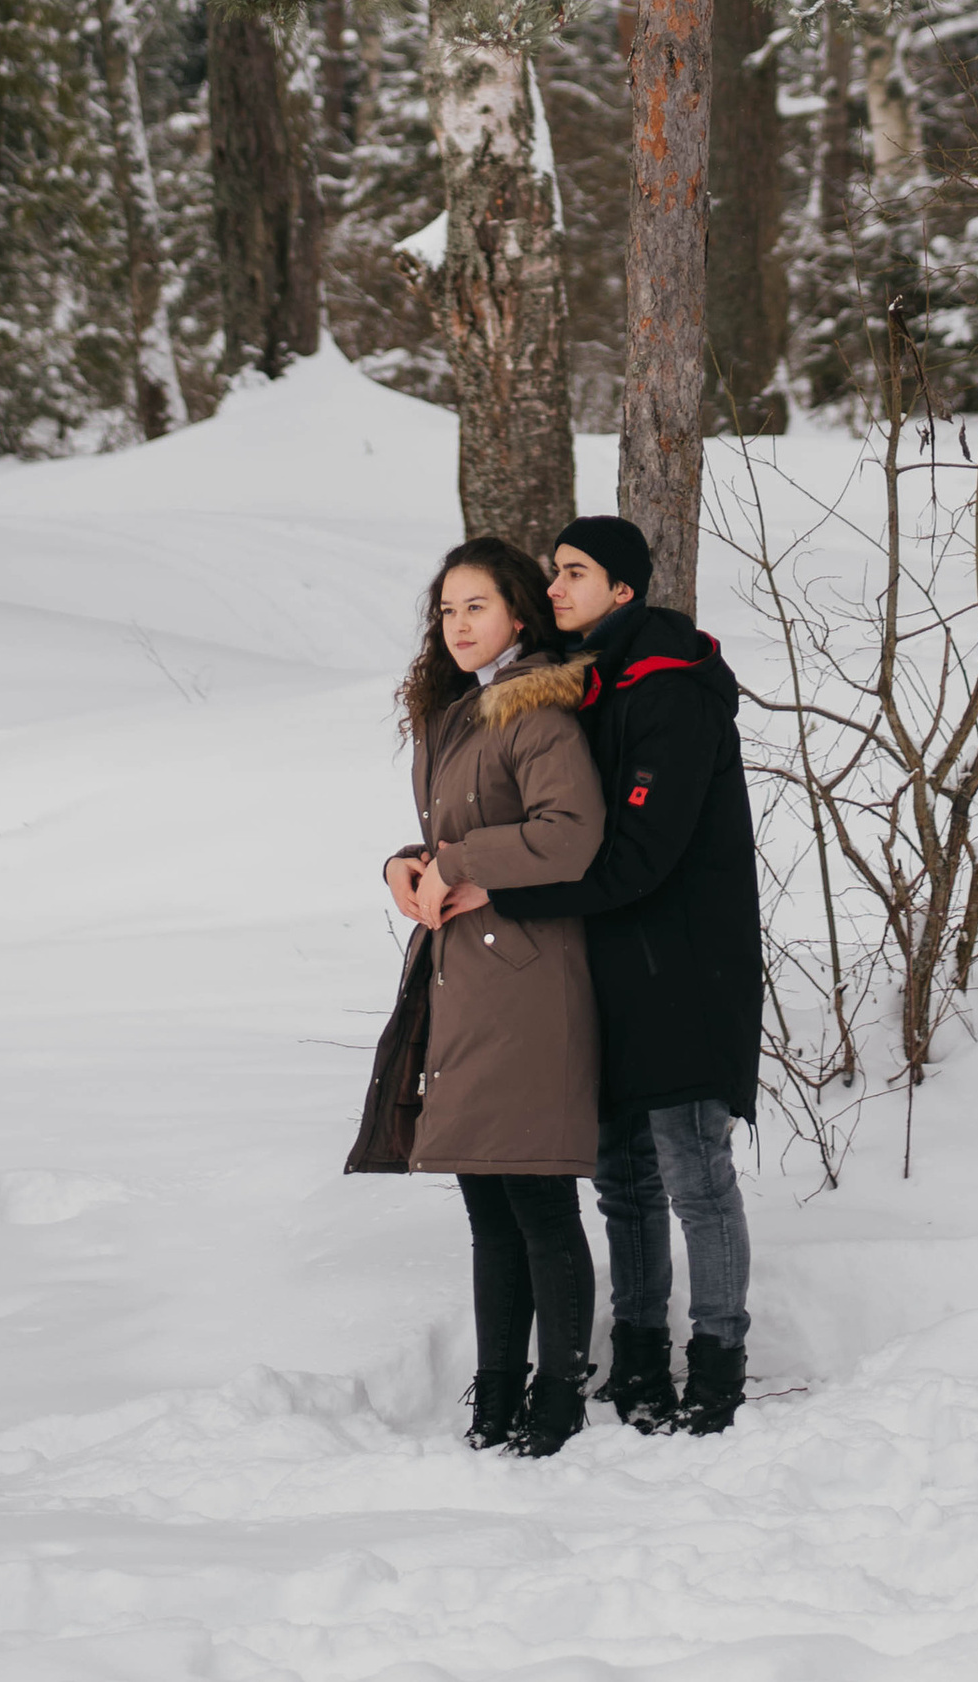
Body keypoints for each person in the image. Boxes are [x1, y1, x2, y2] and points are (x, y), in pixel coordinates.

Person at [469, 511, 764, 1439]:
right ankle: (638, 1354)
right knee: (624, 1180)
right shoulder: (581, 683)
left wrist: (501, 895)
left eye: (575, 573)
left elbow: (640, 856)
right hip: (604, 968)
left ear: (624, 588)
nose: (555, 587)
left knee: (694, 1172)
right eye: (554, 571)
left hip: (686, 969)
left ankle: (716, 1363)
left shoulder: (670, 686)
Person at [379, 537, 606, 1456]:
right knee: (487, 1206)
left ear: (519, 612)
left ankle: (560, 1395)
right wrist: (404, 865)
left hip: (528, 980)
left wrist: (464, 864)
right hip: (463, 980)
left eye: (476, 606)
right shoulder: (454, 716)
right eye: (447, 609)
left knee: (538, 1200)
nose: (458, 623)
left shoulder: (536, 710)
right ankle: (498, 1393)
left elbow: (571, 833)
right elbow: (451, 834)